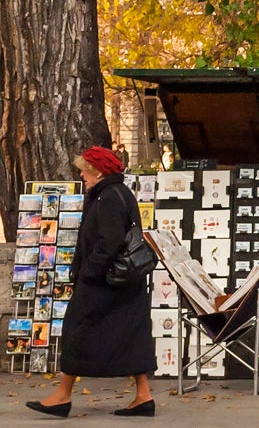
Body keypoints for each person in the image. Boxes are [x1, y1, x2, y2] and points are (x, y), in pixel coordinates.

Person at [27, 147, 156, 418]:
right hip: (124, 283)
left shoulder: (107, 197)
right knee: (132, 336)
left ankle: (62, 396)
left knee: (77, 330)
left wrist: (89, 272)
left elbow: (109, 241)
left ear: (98, 171)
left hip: (103, 282)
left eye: (85, 169)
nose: (82, 174)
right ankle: (143, 396)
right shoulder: (120, 192)